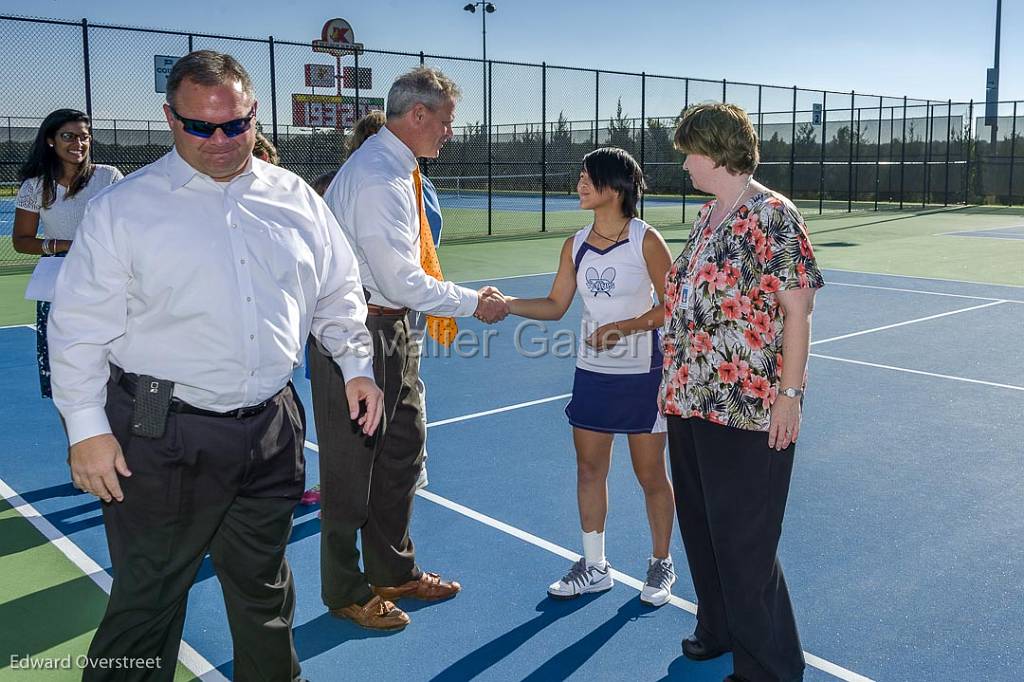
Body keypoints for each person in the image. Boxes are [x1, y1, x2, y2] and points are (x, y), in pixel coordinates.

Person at [47, 50, 382, 682]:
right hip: (159, 424)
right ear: (170, 119)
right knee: (148, 599)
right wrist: (87, 429)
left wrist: (356, 365)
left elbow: (339, 292)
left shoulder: (298, 199)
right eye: (201, 127)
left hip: (272, 424)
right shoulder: (125, 209)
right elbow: (79, 327)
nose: (222, 141)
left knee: (264, 590)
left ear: (256, 114)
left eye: (237, 124)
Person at [316, 65, 507, 630]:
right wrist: (475, 302)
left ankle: (392, 570)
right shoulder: (378, 174)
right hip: (360, 334)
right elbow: (399, 279)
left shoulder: (399, 169)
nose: (451, 132)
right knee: (352, 468)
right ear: (417, 115)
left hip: (392, 329)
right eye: (446, 121)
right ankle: (345, 589)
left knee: (400, 452)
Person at [662, 103, 824, 682]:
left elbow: (798, 313)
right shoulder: (709, 218)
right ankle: (719, 627)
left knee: (745, 544)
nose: (683, 163)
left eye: (688, 151)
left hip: (748, 405)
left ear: (713, 152)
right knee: (702, 530)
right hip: (690, 398)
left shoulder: (773, 215)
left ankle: (771, 669)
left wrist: (790, 394)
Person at [504, 147, 677, 606]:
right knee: (588, 469)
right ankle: (595, 566)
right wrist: (506, 304)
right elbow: (555, 305)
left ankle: (661, 563)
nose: (579, 184)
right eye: (579, 176)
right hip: (592, 373)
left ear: (616, 188)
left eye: (588, 177)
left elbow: (674, 305)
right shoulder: (575, 244)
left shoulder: (646, 239)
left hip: (644, 373)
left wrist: (626, 326)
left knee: (649, 474)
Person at [12, 109, 122, 399]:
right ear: (51, 140)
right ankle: (79, 441)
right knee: (65, 380)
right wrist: (63, 245)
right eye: (68, 136)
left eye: (84, 137)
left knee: (114, 372)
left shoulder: (109, 177)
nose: (79, 143)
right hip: (58, 285)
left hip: (106, 283)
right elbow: (21, 241)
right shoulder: (35, 186)